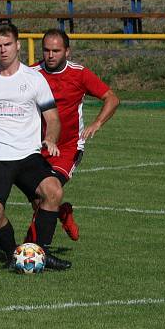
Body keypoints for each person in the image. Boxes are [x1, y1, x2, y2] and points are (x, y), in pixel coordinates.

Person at [0, 21, 71, 271]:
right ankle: (14, 256)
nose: (3, 50)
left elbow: (53, 118)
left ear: (18, 45)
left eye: (8, 44)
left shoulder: (34, 80)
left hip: (27, 155)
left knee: (53, 191)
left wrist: (51, 139)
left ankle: (41, 254)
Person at [25, 29, 120, 243]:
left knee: (50, 192)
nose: (50, 55)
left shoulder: (79, 74)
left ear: (67, 51)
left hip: (67, 148)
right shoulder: (30, 74)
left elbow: (112, 98)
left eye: (56, 51)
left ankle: (32, 248)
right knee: (40, 199)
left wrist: (97, 123)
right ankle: (63, 212)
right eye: (46, 50)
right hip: (34, 148)